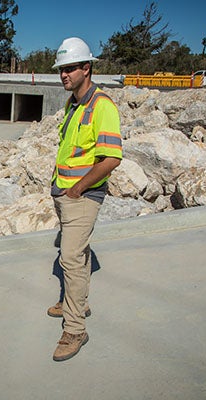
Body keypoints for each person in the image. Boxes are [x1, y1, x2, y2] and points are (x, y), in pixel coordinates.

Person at [47, 37, 123, 362]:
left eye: (69, 68)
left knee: (69, 257)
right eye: (61, 69)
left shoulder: (102, 106)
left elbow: (111, 159)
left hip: (83, 195)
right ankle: (77, 300)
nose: (64, 75)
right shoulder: (73, 104)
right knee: (77, 253)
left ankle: (75, 328)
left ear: (86, 68)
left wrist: (77, 189)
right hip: (64, 193)